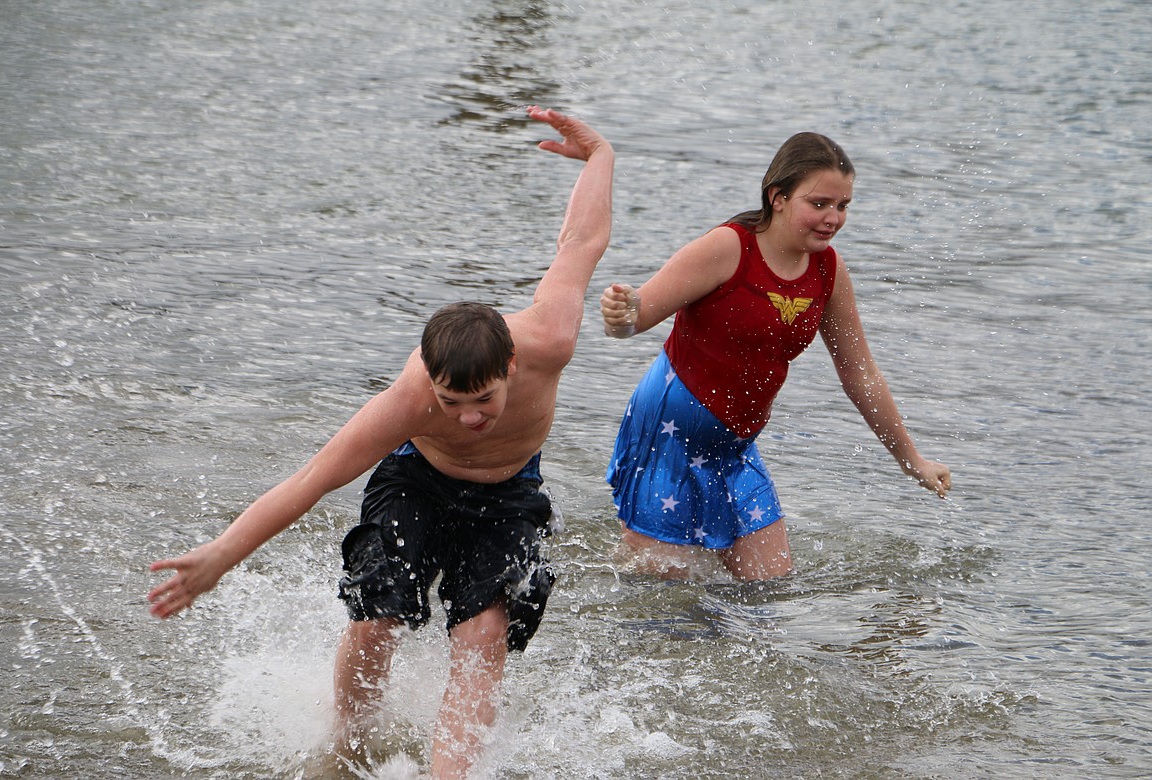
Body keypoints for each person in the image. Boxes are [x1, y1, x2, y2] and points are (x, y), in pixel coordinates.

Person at [147, 106, 614, 779]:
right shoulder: (408, 403)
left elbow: (580, 243)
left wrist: (600, 157)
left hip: (511, 492)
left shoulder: (549, 339)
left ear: (511, 368)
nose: (471, 418)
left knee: (482, 634)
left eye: (483, 400)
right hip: (417, 480)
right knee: (377, 617)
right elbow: (311, 480)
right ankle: (347, 745)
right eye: (454, 404)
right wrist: (219, 557)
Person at [599, 131, 950, 582]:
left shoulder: (828, 271)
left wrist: (911, 460)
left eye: (842, 206)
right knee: (662, 600)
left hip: (734, 447)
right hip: (670, 437)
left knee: (769, 588)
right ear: (778, 197)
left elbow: (859, 373)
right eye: (819, 203)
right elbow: (636, 316)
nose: (833, 219)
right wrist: (619, 313)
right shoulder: (728, 248)